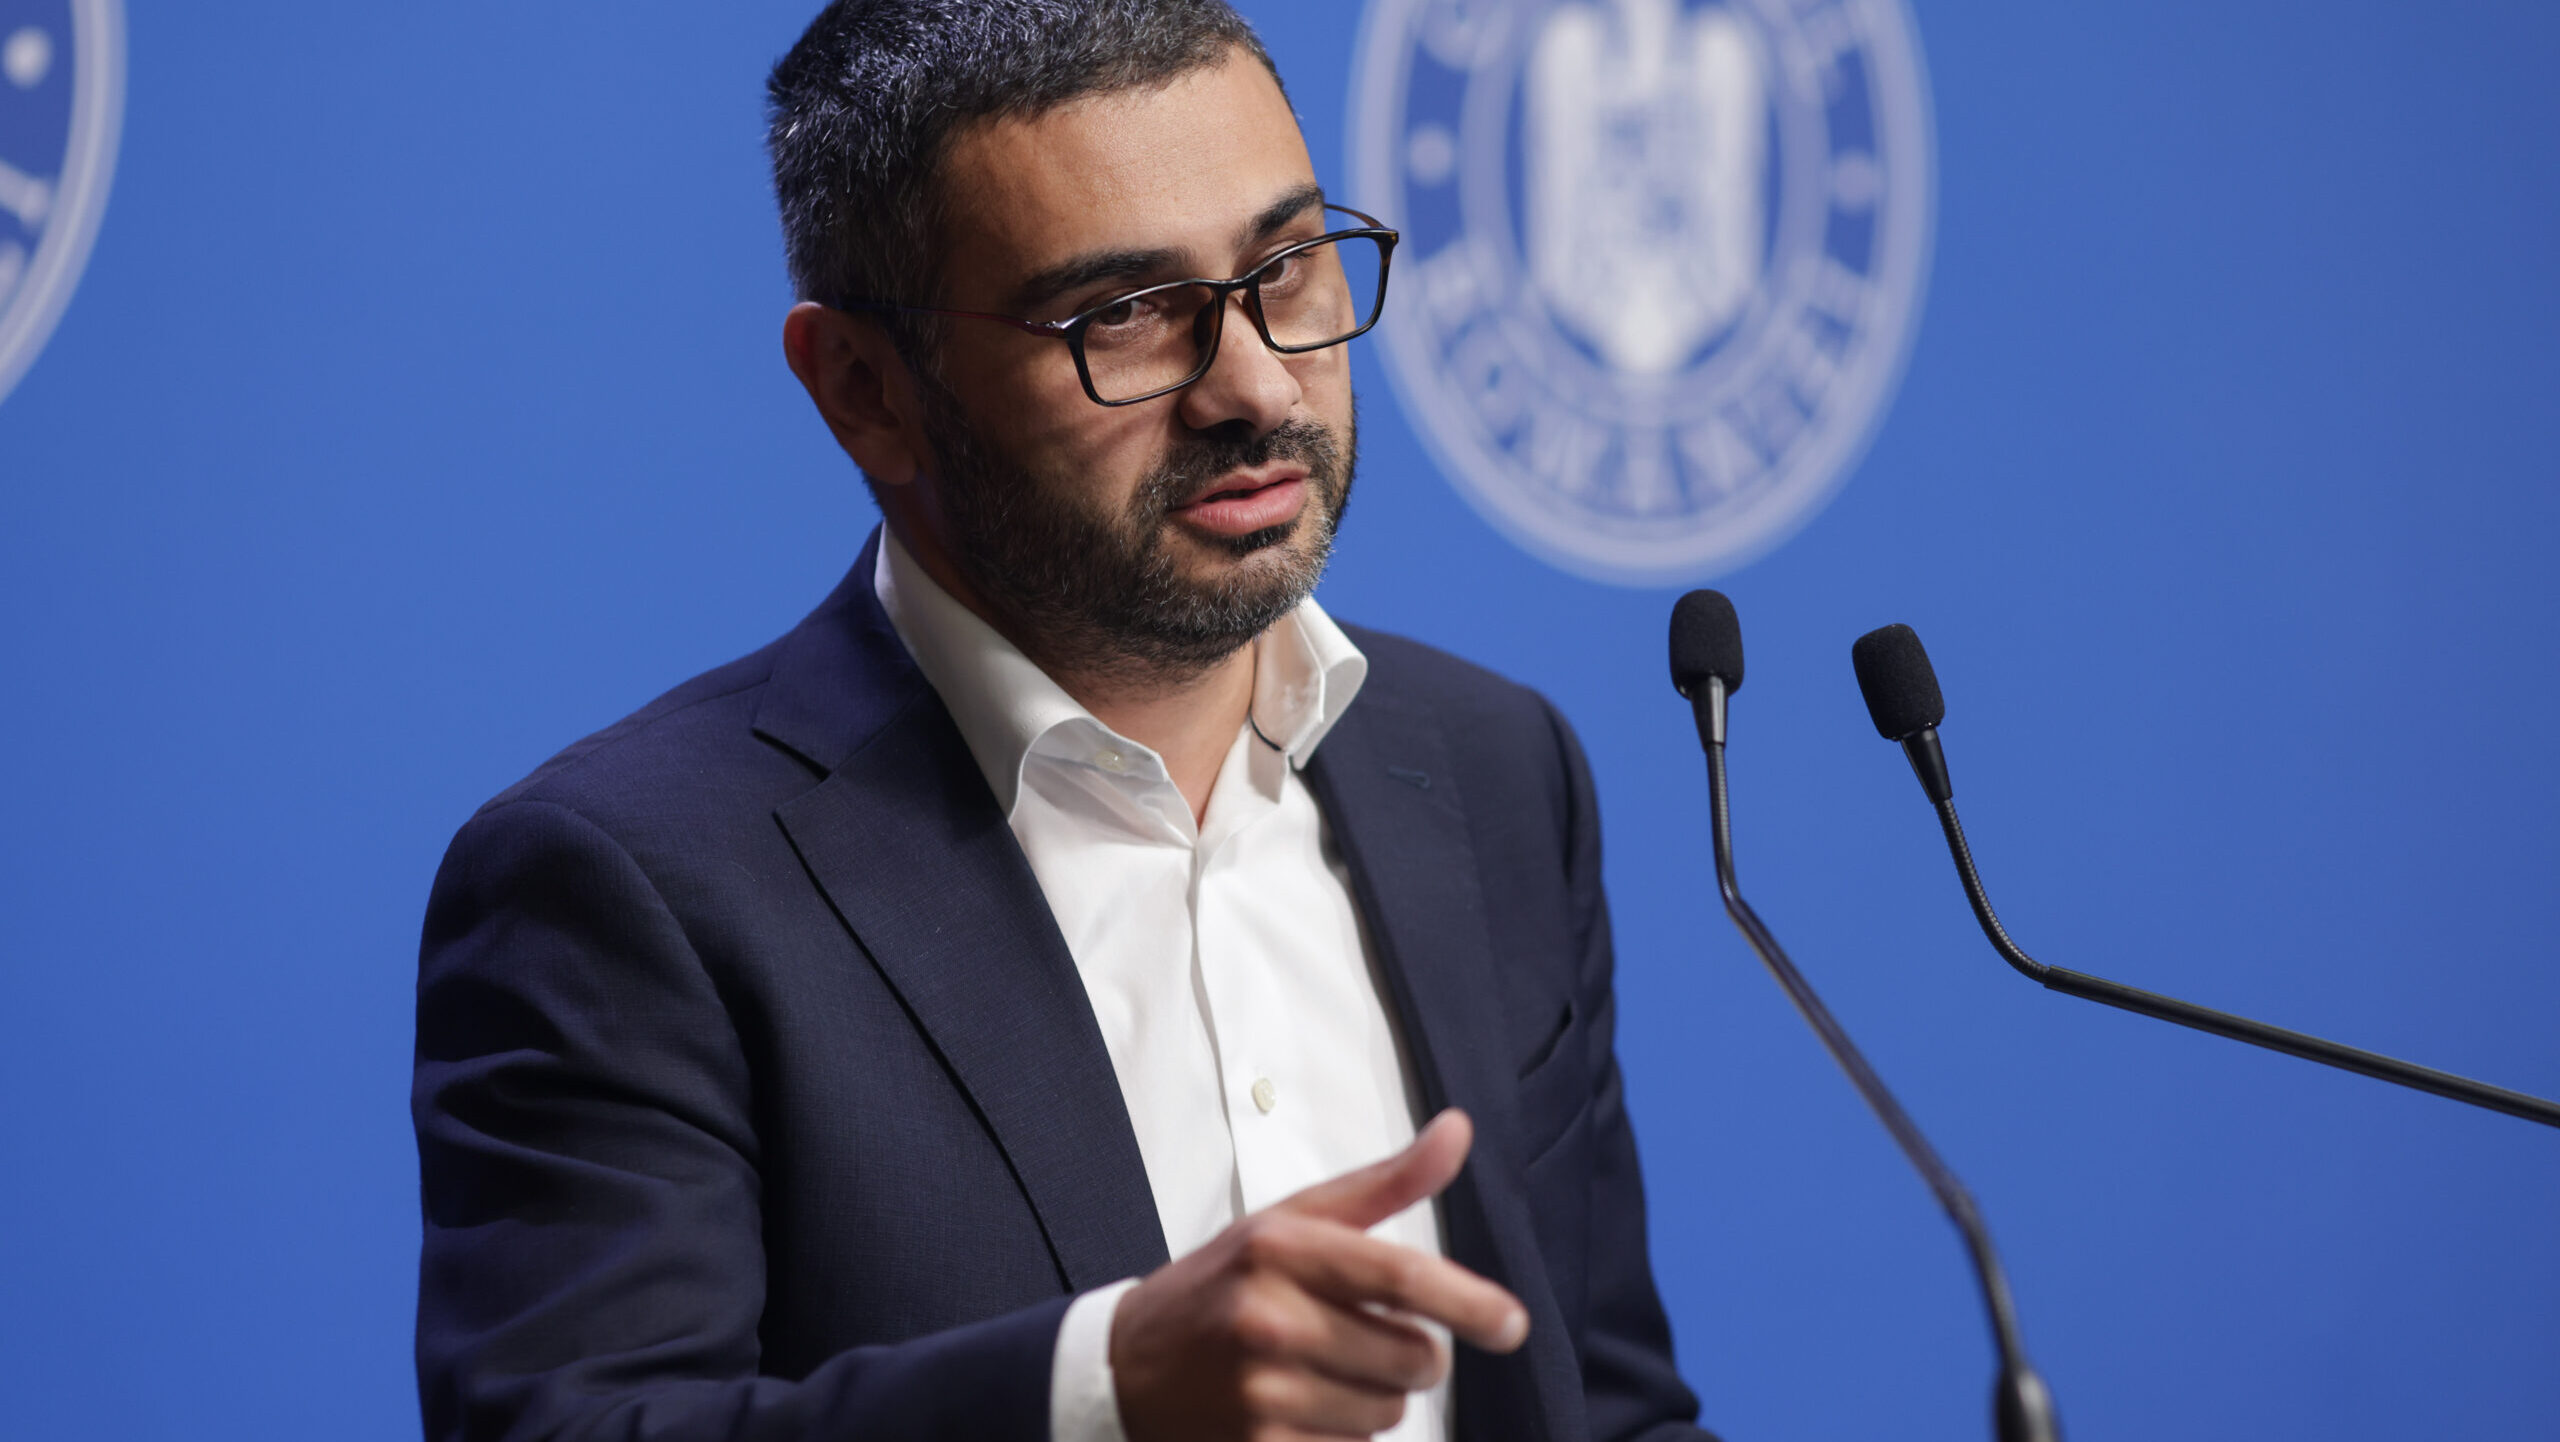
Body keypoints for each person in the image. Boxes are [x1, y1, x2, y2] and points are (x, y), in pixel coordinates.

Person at [412, 3, 1721, 1440]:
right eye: (1125, 315)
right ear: (865, 391)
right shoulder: (634, 886)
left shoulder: (1489, 767)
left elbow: (1610, 1409)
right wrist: (1099, 1388)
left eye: (1287, 266)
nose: (1256, 386)